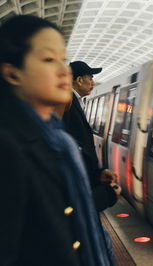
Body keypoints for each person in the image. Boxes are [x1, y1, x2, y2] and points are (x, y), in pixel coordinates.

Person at [0, 15, 112, 265]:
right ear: (13, 73)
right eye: (49, 59)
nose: (64, 70)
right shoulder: (8, 147)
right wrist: (105, 195)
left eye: (63, 59)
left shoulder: (56, 141)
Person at [63, 61, 121, 212]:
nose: (93, 83)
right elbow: (76, 152)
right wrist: (102, 194)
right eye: (90, 78)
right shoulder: (67, 105)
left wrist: (98, 175)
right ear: (79, 80)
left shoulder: (75, 103)